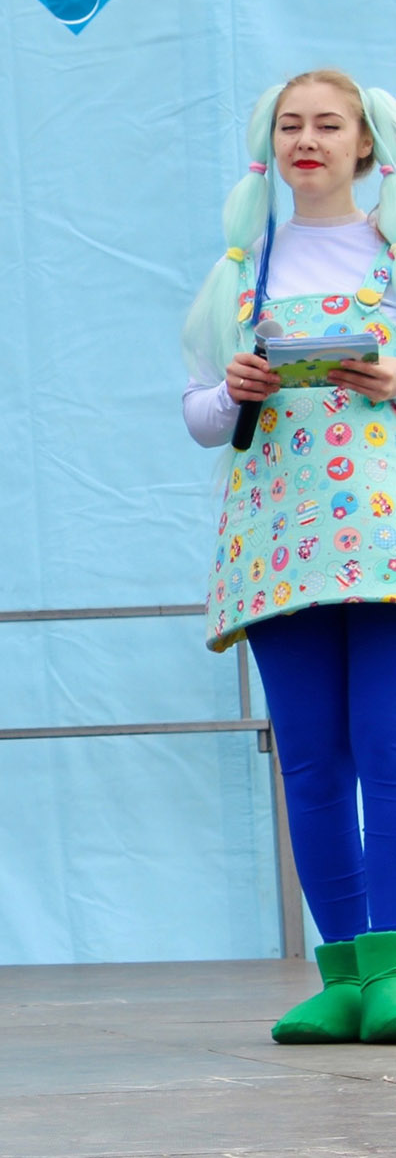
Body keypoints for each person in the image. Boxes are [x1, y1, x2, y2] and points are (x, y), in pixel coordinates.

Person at [181, 70, 396, 1045]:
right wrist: (234, 387)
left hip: (385, 542)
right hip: (279, 544)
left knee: (388, 752)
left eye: (329, 124)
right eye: (289, 124)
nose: (307, 138)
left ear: (365, 143)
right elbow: (196, 417)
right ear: (268, 146)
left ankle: (391, 964)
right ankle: (340, 973)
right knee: (309, 761)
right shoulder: (239, 270)